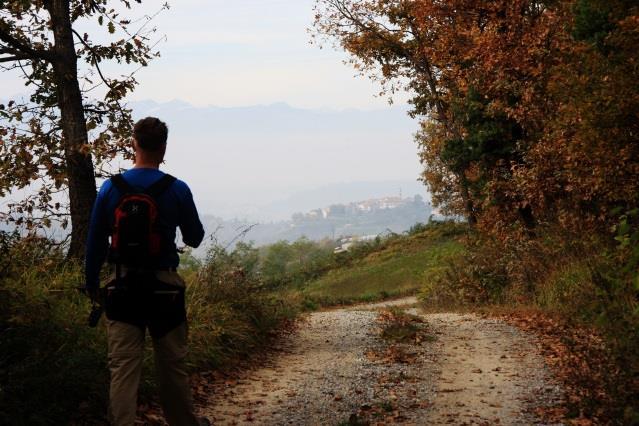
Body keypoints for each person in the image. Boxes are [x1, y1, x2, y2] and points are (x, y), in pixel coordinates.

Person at [85, 117, 209, 426]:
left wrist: (92, 284)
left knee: (124, 368)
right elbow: (194, 236)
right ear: (164, 148)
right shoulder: (177, 188)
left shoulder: (111, 189)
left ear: (133, 144)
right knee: (172, 365)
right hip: (165, 287)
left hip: (122, 285)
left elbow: (95, 241)